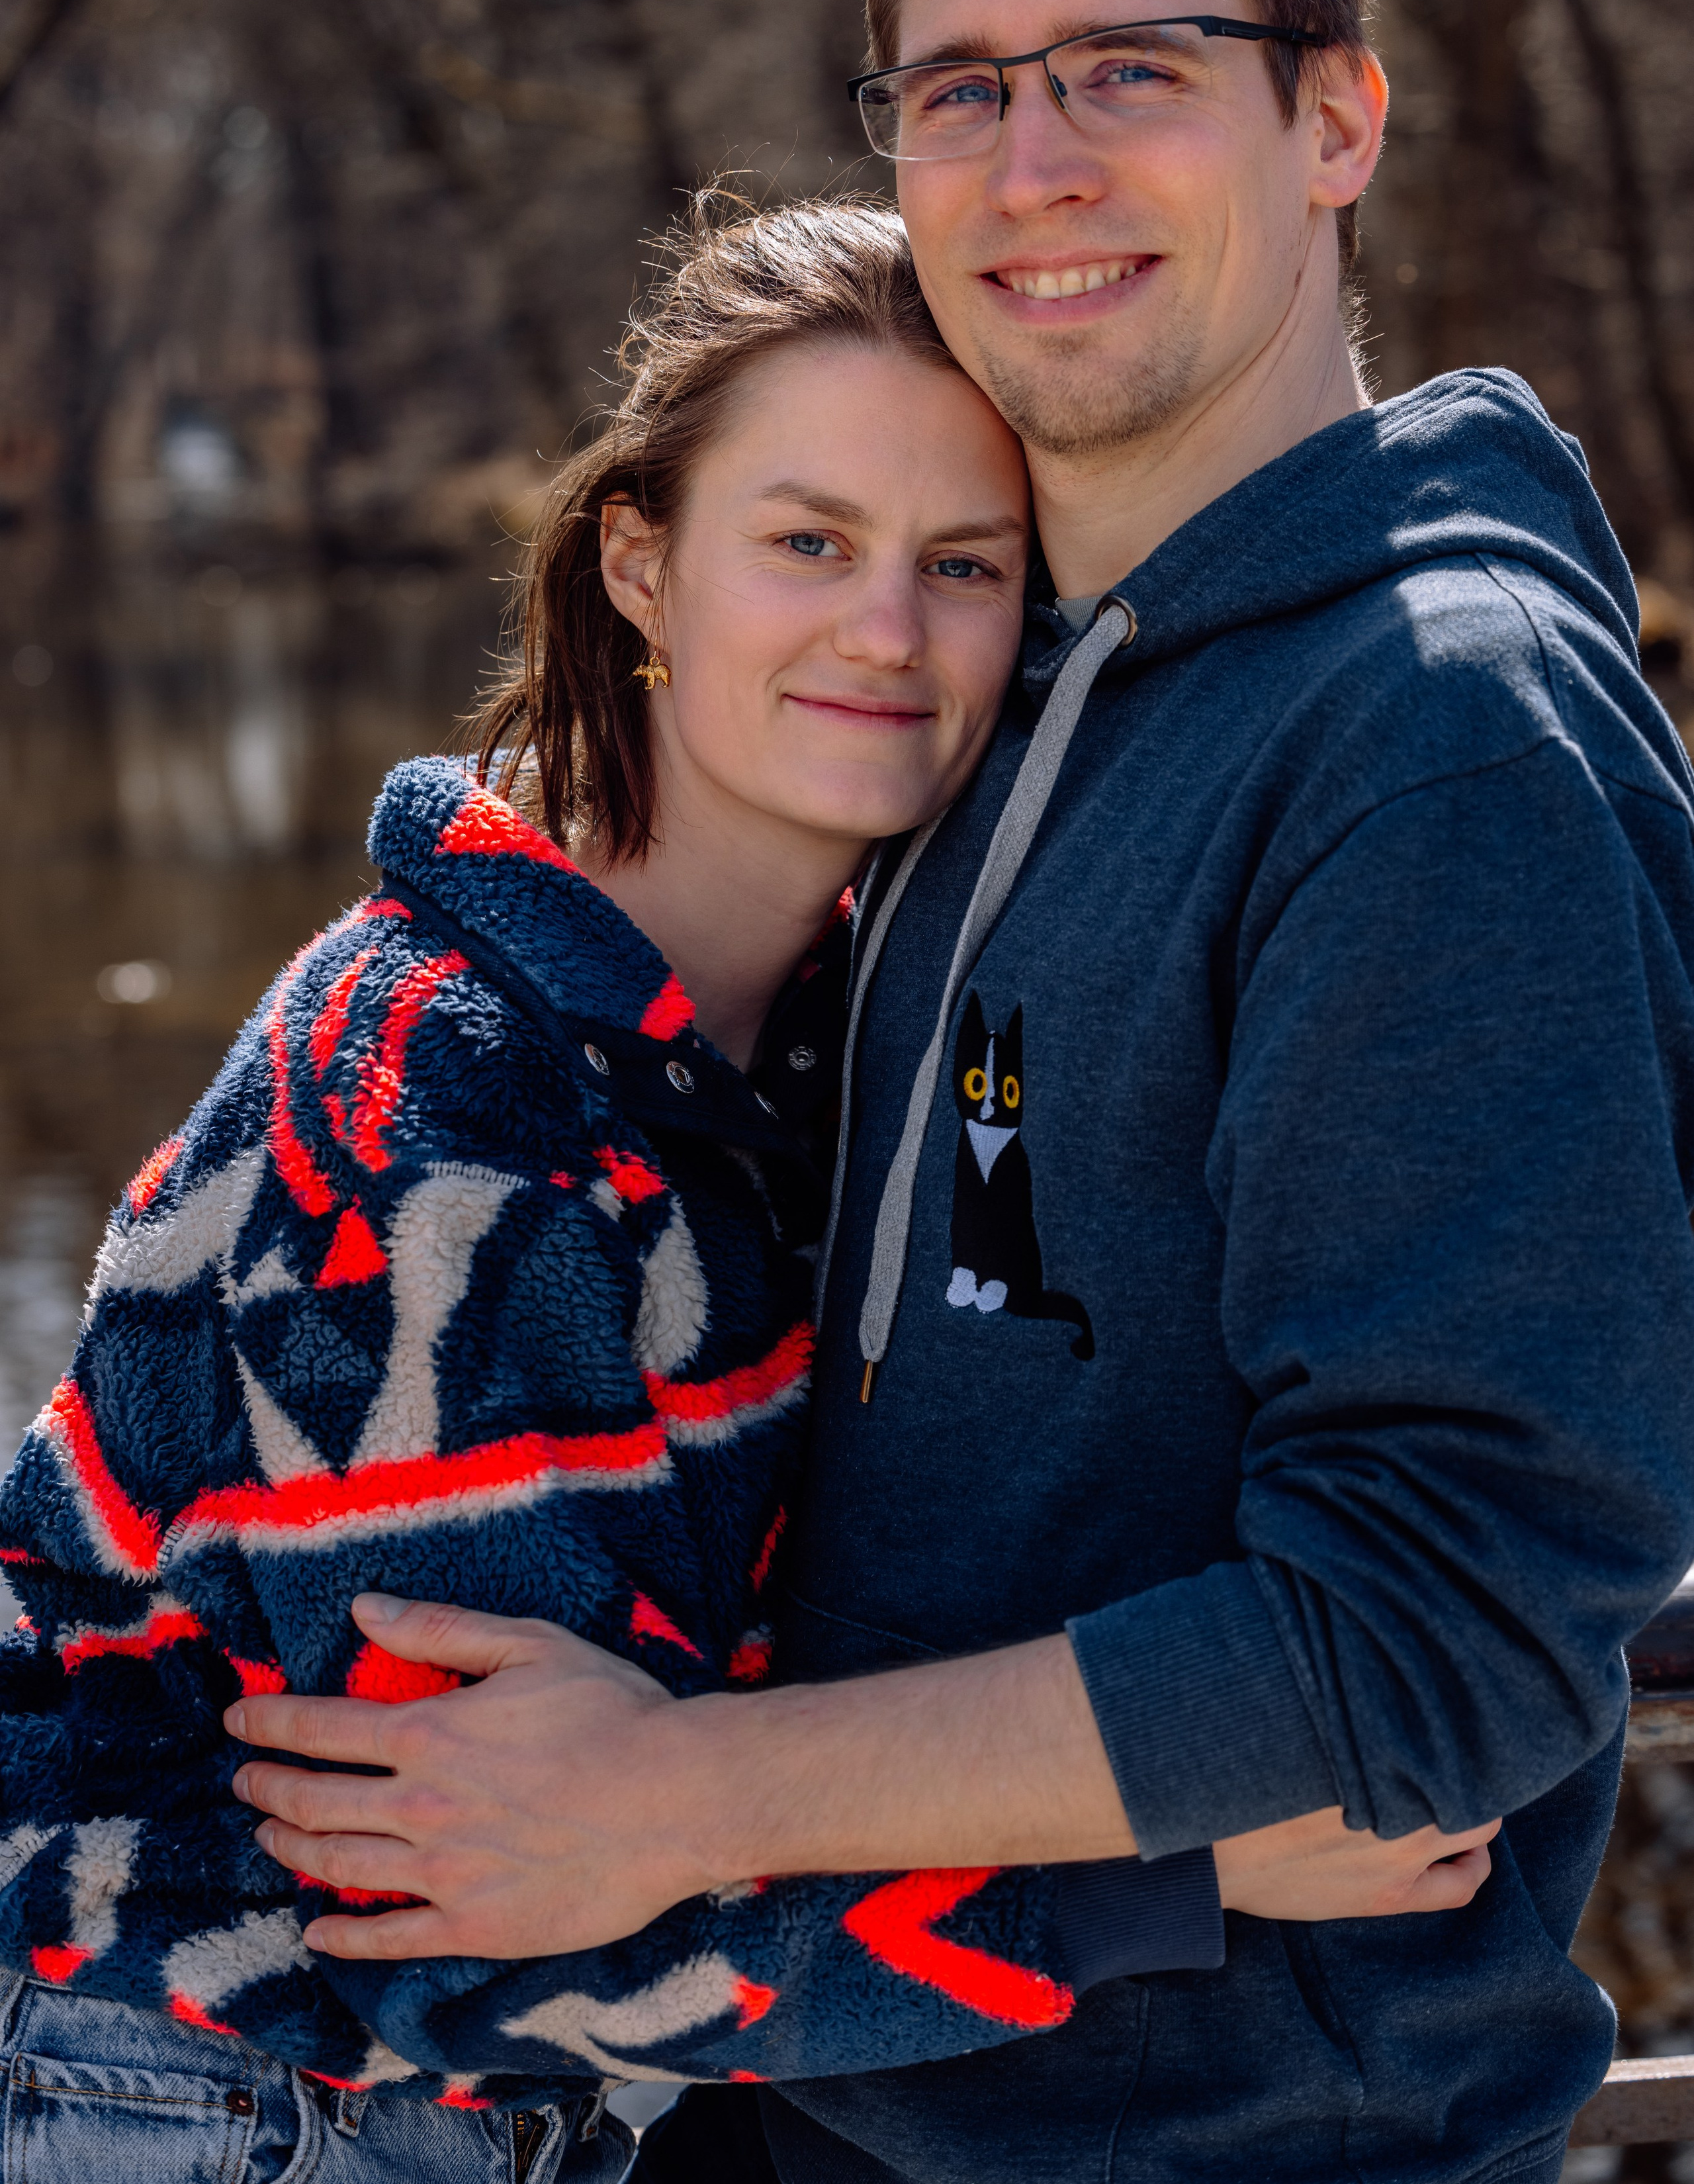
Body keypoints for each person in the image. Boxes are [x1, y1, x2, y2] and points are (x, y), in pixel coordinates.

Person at [232, 0, 1694, 2183]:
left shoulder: (1433, 742)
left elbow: (1442, 1640)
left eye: (1134, 67)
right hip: (814, 2090)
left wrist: (681, 1797)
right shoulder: (1001, 692)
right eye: (961, 89)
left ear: (1336, 119)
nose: (1036, 163)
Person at [0, 199, 1282, 2182]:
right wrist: (1165, 1862)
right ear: (639, 566)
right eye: (808, 543)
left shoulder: (835, 1036)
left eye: (965, 564)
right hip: (180, 2081)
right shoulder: (443, 1099)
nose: (887, 630)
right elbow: (479, 1924)